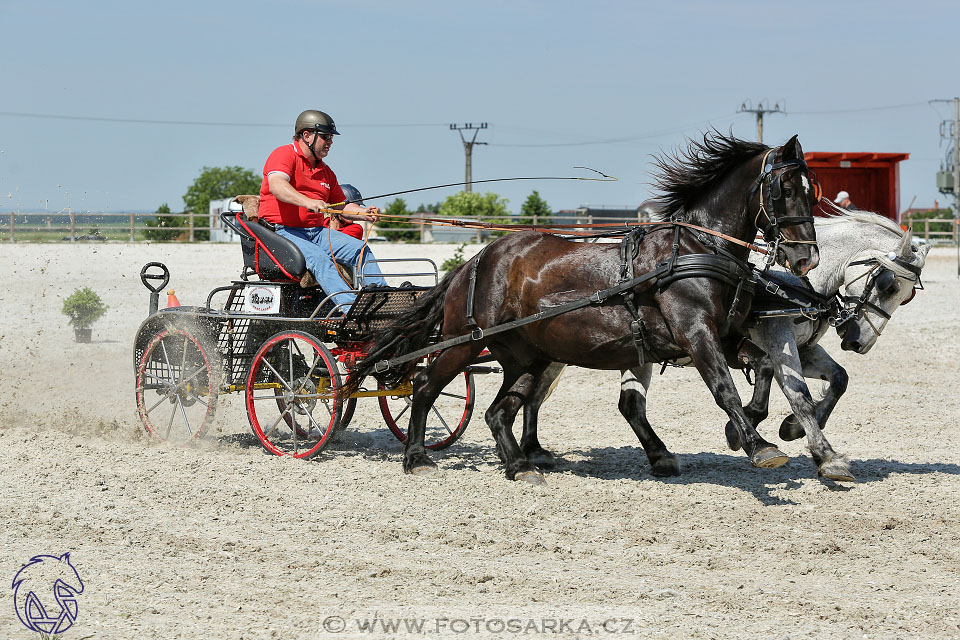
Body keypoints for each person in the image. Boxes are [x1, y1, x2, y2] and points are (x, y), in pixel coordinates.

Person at [258, 110, 386, 310]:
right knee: (320, 259)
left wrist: (364, 213)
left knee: (360, 250)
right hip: (282, 232)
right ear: (307, 135)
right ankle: (350, 310)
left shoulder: (326, 172)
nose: (330, 142)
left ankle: (381, 302)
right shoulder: (284, 154)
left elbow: (341, 207)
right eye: (325, 136)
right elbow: (277, 186)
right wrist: (308, 202)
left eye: (331, 138)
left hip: (316, 233)